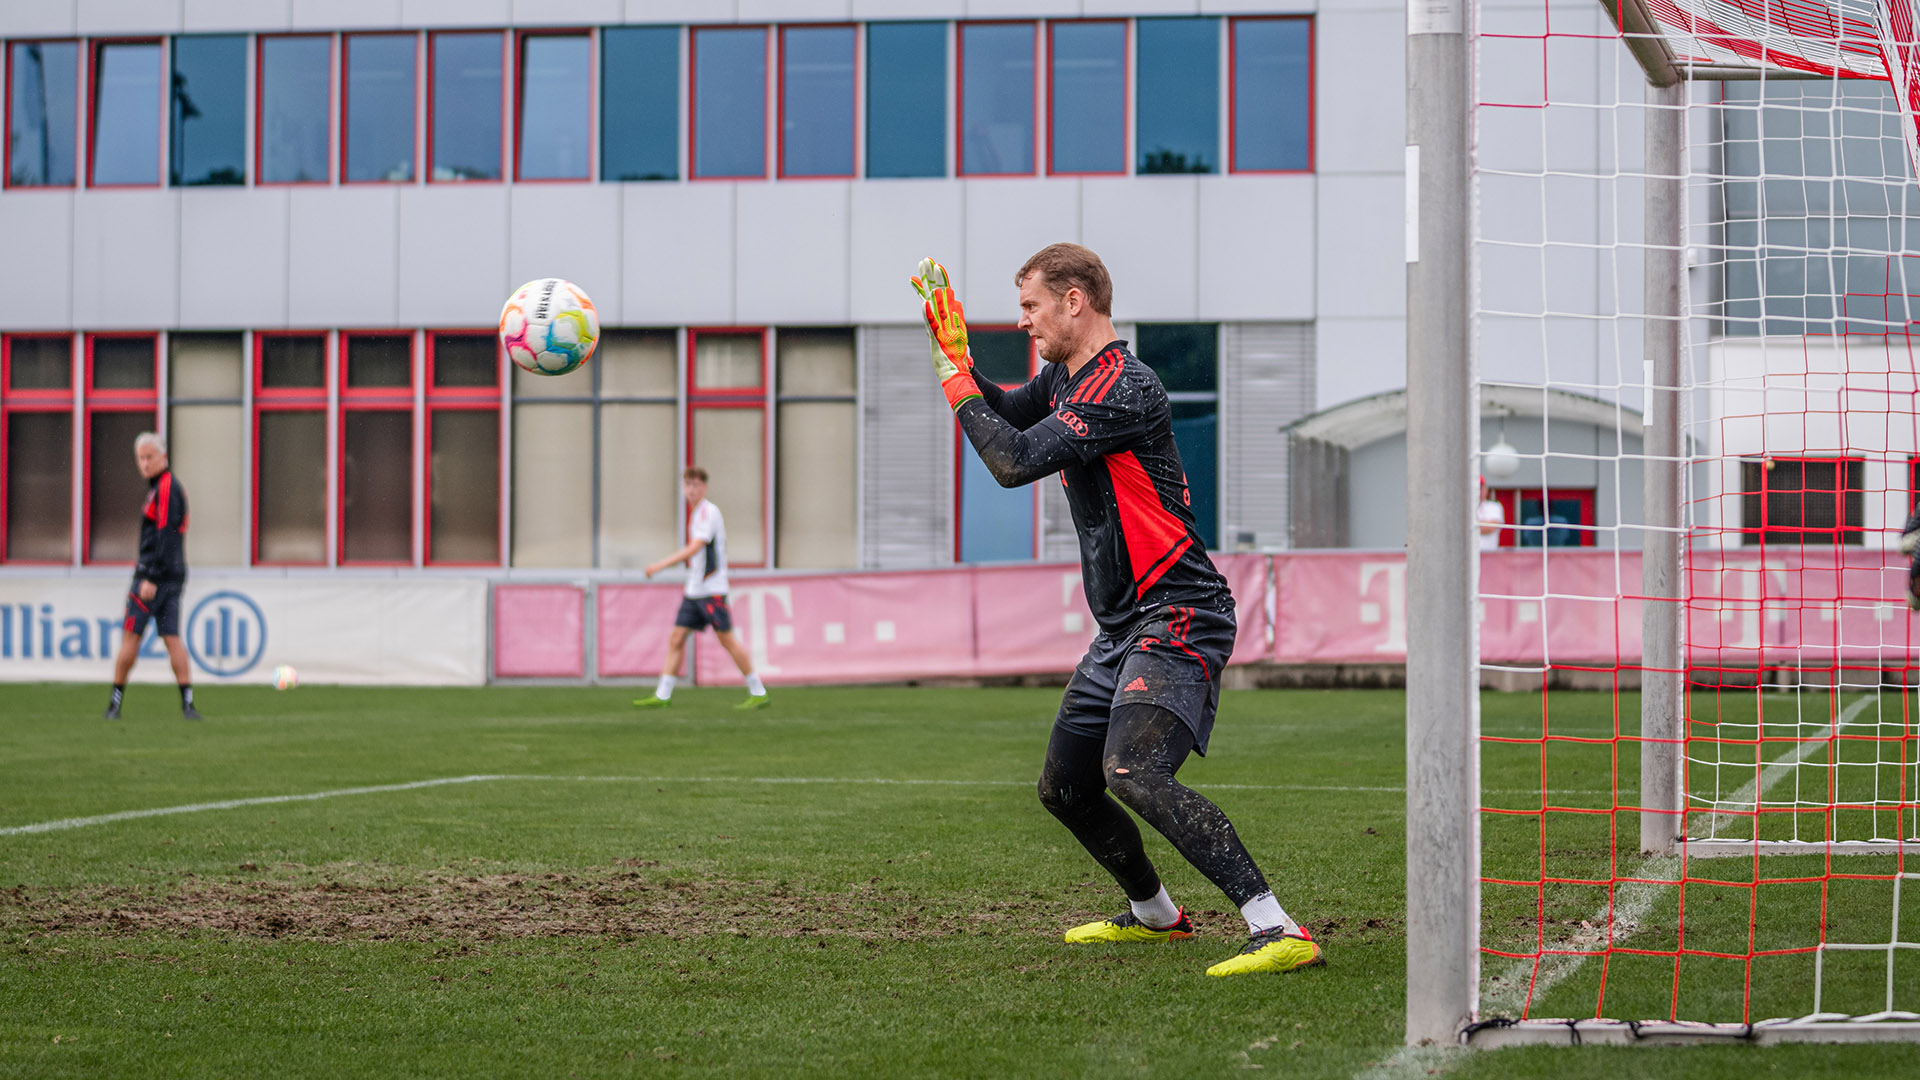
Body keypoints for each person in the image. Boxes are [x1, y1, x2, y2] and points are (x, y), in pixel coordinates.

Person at [909, 244, 1320, 977]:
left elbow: (1011, 462)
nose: (1024, 320)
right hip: (1125, 628)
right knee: (1065, 788)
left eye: (1032, 306)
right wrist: (961, 357)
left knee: (1132, 770)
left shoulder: (1123, 386)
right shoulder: (1067, 376)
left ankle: (1279, 928)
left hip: (1180, 612)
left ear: (1075, 301)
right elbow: (1006, 414)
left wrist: (952, 378)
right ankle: (1157, 917)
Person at [633, 466, 770, 710]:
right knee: (676, 638)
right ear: (683, 488)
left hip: (712, 590)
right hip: (694, 590)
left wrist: (660, 565)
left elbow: (695, 547)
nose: (692, 489)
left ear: (704, 488)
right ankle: (662, 695)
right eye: (688, 484)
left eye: (697, 485)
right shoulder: (697, 514)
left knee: (727, 640)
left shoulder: (709, 512)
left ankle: (758, 691)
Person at [105, 432, 200, 721]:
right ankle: (187, 705)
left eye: (150, 457)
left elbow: (165, 536)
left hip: (153, 577)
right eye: (141, 459)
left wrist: (152, 577)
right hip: (171, 574)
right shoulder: (161, 487)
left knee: (132, 637)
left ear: (164, 457)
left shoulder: (166, 489)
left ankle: (115, 704)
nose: (145, 464)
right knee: (171, 637)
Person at [1478, 476, 1505, 551]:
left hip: (1490, 555)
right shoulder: (1463, 507)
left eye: (1480, 488)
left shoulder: (1494, 506)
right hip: (1466, 557)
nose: (1478, 491)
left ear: (1485, 490)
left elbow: (1490, 527)